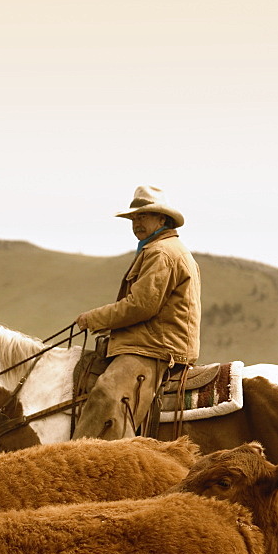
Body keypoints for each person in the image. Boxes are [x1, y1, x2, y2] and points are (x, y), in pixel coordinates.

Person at [73, 184, 201, 440]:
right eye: (133, 217)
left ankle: (87, 467)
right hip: (150, 341)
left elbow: (141, 306)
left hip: (154, 346)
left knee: (107, 394)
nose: (136, 222)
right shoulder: (158, 249)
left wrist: (94, 318)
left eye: (143, 216)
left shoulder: (161, 253)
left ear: (161, 218)